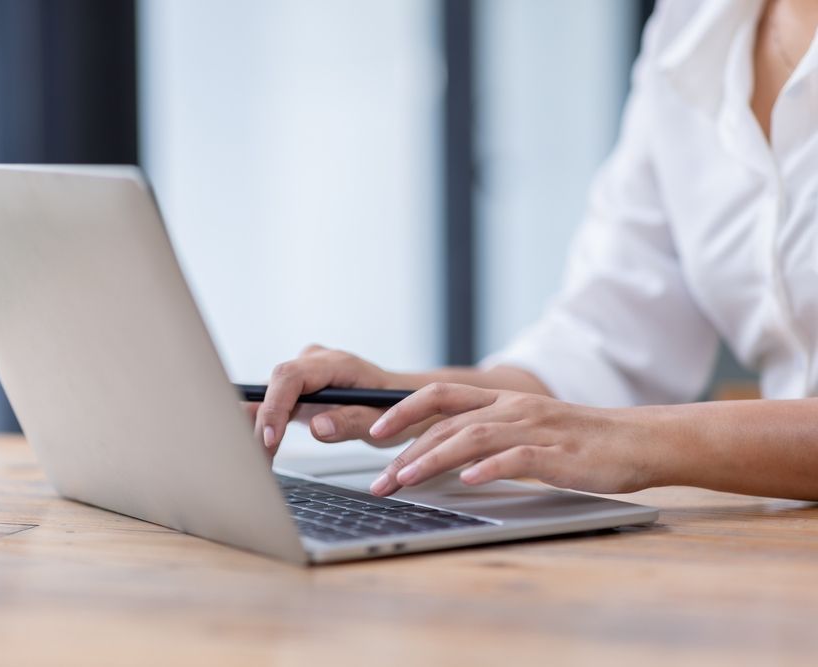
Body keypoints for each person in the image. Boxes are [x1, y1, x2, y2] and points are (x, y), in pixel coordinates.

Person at [250, 0, 818, 501]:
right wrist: (401, 397)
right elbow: (606, 348)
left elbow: (605, 426)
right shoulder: (693, 27)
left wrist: (637, 441)